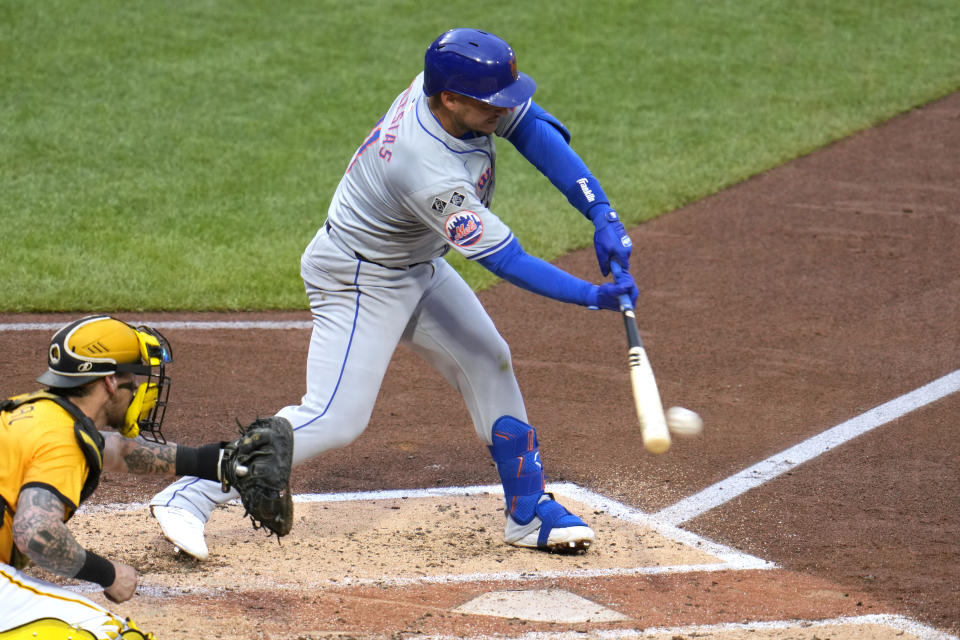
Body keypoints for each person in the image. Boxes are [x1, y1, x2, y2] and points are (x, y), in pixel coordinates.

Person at [151, 27, 638, 560]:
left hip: (415, 263)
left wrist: (601, 213)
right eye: (491, 103)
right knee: (335, 417)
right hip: (360, 277)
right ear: (450, 98)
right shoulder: (421, 163)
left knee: (488, 360)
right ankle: (191, 491)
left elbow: (536, 130)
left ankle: (526, 512)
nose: (504, 110)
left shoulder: (457, 91)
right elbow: (507, 260)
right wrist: (594, 296)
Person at [0, 315, 261, 639]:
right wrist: (108, 574)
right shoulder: (62, 437)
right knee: (112, 634)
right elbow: (36, 533)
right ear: (110, 381)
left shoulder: (28, 412)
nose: (139, 388)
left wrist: (213, 463)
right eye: (133, 377)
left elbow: (115, 450)